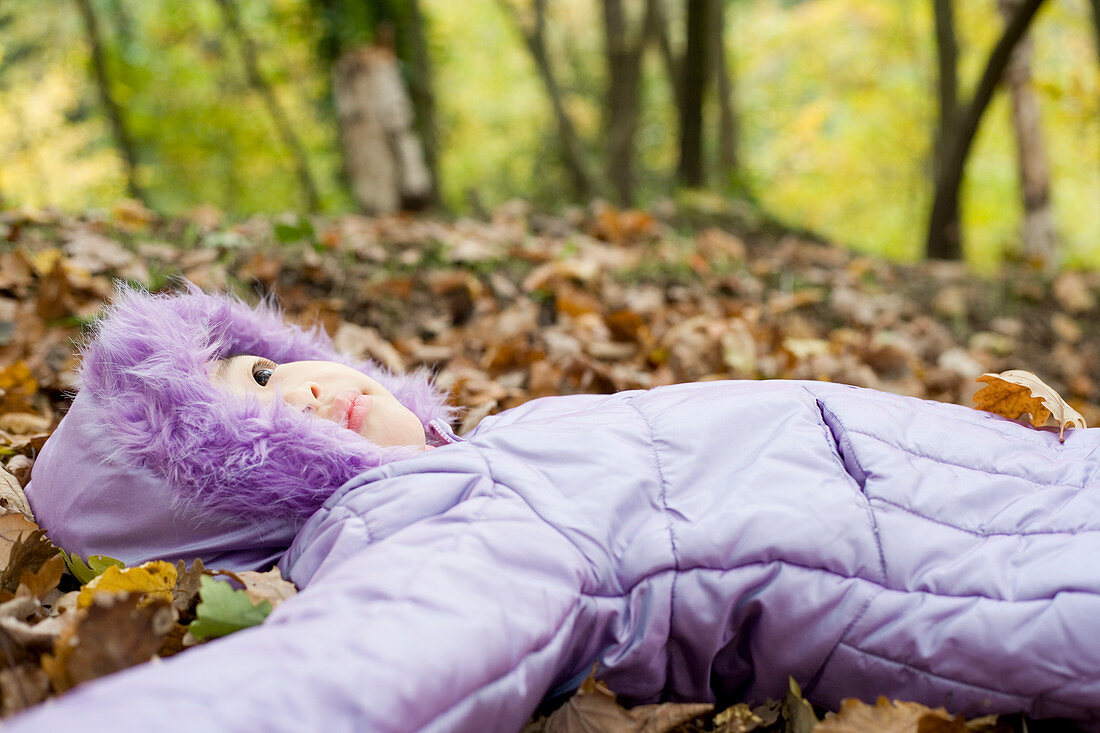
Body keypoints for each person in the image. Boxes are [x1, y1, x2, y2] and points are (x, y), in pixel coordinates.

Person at [14, 285, 1100, 732]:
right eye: (246, 416)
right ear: (226, 516)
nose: (292, 382)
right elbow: (353, 671)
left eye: (258, 368)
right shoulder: (426, 524)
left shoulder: (485, 450)